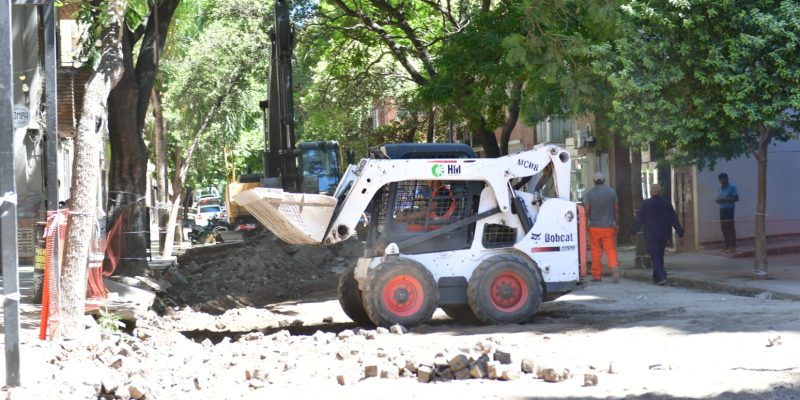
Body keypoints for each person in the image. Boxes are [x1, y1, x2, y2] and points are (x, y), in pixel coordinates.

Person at [633, 184, 684, 286]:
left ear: (651, 192)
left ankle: (661, 277)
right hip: (663, 233)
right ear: (660, 192)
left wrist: (633, 231)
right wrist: (679, 231)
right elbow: (673, 218)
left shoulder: (645, 204)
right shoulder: (666, 203)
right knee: (659, 255)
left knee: (655, 256)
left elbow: (639, 219)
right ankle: (656, 277)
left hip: (651, 234)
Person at [584, 171, 620, 283]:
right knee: (610, 249)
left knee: (596, 251)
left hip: (594, 227)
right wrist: (617, 223)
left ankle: (596, 276)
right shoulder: (612, 192)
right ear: (604, 180)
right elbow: (616, 209)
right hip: (608, 227)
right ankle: (614, 266)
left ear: (594, 181)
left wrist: (585, 225)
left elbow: (587, 211)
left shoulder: (589, 194)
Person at [716, 172, 739, 252]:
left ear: (727, 179)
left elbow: (736, 198)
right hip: (722, 209)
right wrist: (718, 200)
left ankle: (732, 247)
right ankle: (727, 245)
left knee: (730, 227)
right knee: (723, 228)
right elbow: (719, 197)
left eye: (723, 180)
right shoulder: (720, 188)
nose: (722, 181)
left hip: (729, 209)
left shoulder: (732, 187)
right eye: (720, 180)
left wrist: (725, 199)